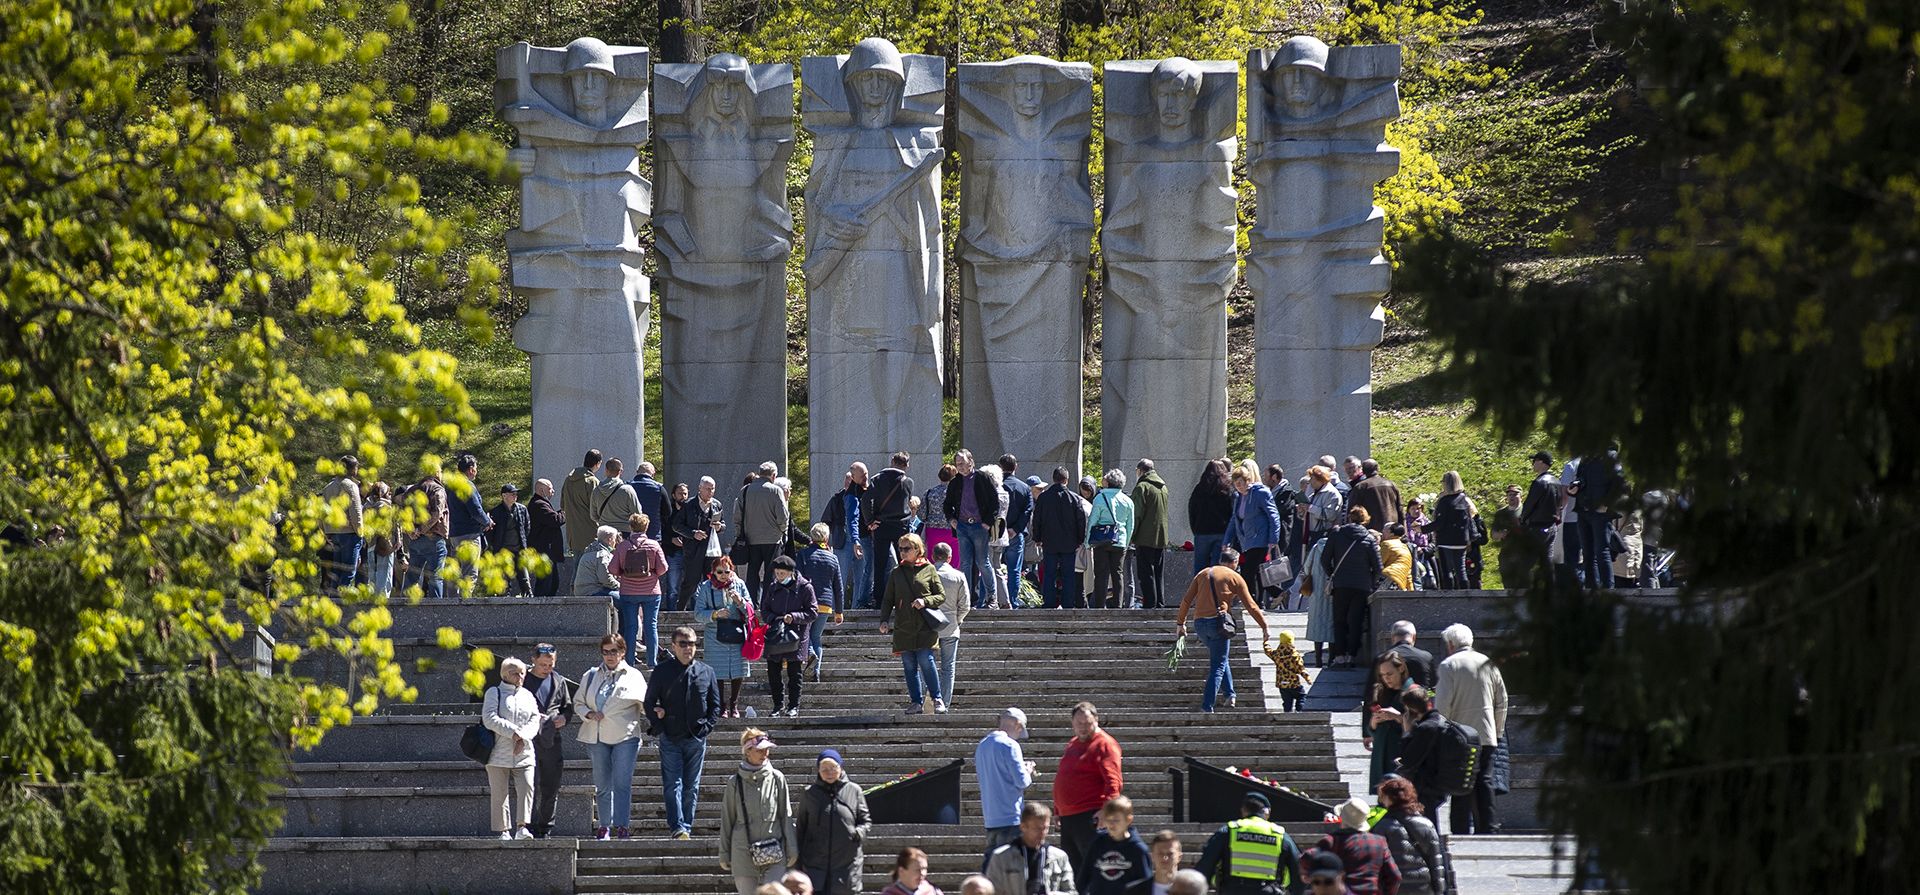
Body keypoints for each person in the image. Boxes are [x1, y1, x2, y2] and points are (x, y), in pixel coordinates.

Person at [1175, 546, 1273, 712]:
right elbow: (1252, 606)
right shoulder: (1235, 577)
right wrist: (1264, 627)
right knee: (1218, 665)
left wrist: (1180, 624)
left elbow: (1186, 600)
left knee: (1220, 657)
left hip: (1199, 624)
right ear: (1234, 562)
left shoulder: (1203, 573)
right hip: (1218, 625)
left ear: (1220, 561)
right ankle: (1207, 706)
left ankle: (1230, 695)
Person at [647, 625, 723, 840]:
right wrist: (659, 725)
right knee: (673, 784)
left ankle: (686, 827)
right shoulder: (662, 671)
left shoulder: (706, 671)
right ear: (673, 646)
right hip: (670, 736)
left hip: (696, 737)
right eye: (683, 643)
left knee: (692, 786)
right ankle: (677, 826)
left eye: (692, 643)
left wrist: (707, 727)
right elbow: (649, 701)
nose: (688, 648)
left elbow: (715, 705)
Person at [1434, 624, 1506, 835]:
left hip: (1460, 737)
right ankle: (1489, 827)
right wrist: (1498, 731)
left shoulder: (1448, 665)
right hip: (1486, 733)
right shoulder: (1488, 663)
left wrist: (1439, 735)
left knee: (1460, 782)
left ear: (1450, 644)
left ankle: (1460, 829)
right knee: (1485, 781)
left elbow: (1443, 706)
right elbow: (1502, 701)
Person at [577, 633, 646, 839]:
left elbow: (646, 703)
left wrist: (657, 713)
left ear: (622, 652)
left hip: (626, 736)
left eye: (613, 651)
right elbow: (578, 702)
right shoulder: (590, 675)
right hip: (596, 735)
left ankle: (622, 825)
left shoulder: (634, 675)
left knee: (622, 783)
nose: (609, 656)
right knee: (603, 784)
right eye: (605, 652)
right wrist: (588, 713)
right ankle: (604, 825)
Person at [722, 728, 800, 895]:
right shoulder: (734, 782)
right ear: (748, 751)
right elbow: (727, 819)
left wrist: (792, 847)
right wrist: (724, 852)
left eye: (767, 749)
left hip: (775, 848)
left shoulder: (777, 778)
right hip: (743, 851)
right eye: (760, 750)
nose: (765, 753)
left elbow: (786, 815)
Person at [879, 532, 946, 714]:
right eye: (900, 549)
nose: (902, 552)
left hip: (924, 627)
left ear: (917, 549)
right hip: (904, 627)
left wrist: (925, 601)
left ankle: (936, 698)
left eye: (906, 549)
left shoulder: (929, 569)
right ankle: (916, 702)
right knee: (909, 666)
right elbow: (887, 599)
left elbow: (941, 596)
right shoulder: (896, 572)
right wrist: (884, 620)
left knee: (926, 660)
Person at [1053, 701, 1124, 870]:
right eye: (1079, 724)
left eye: (1088, 723)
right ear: (1072, 723)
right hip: (1069, 817)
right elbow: (1064, 776)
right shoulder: (1073, 743)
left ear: (1096, 720)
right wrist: (1057, 810)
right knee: (1073, 869)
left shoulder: (1105, 744)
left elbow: (1113, 780)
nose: (1083, 728)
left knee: (1094, 868)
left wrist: (1106, 810)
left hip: (1091, 816)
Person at [1194, 792, 1306, 895]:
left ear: (1243, 810)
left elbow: (1206, 865)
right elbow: (1299, 870)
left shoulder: (1229, 831)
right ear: (1267, 812)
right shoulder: (1280, 835)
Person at [481, 656, 542, 841]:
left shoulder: (527, 695)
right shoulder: (494, 692)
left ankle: (522, 827)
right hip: (497, 754)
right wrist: (514, 733)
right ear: (505, 674)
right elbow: (490, 718)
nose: (520, 677)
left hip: (524, 753)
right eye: (515, 673)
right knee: (500, 793)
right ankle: (503, 831)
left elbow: (535, 719)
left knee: (527, 787)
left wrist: (522, 737)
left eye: (522, 673)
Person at [797, 748, 870, 895]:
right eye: (824, 769)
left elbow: (865, 820)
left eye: (833, 768)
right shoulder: (809, 794)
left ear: (841, 767)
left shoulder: (854, 790)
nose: (829, 772)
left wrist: (858, 833)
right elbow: (801, 827)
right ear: (818, 771)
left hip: (846, 861)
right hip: (815, 863)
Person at [524, 644, 576, 838]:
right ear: (533, 660)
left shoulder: (558, 680)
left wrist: (565, 718)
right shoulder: (523, 679)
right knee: (530, 783)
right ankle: (527, 824)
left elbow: (567, 707)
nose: (547, 668)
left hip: (551, 738)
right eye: (543, 664)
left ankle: (545, 826)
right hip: (528, 738)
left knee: (551, 784)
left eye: (551, 664)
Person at [945, 449, 1006, 610]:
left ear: (971, 462)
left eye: (963, 463)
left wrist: (987, 522)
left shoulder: (982, 478)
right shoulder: (955, 482)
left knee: (982, 562)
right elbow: (947, 504)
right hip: (962, 526)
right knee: (965, 563)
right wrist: (952, 520)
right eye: (958, 464)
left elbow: (994, 502)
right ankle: (967, 599)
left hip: (980, 526)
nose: (960, 467)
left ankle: (991, 599)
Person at [1321, 508, 1382, 668]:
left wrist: (1333, 574)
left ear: (1349, 517)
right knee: (1356, 621)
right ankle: (1351, 656)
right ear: (1365, 519)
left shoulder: (1337, 533)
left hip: (1341, 584)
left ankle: (1339, 655)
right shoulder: (1368, 538)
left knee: (1339, 621)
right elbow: (1378, 567)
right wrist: (1371, 582)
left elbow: (1325, 559)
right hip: (1362, 586)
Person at [695, 556, 755, 717]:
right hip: (715, 635)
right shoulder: (706, 587)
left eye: (726, 571)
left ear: (732, 571)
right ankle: (721, 706)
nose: (723, 575)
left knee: (738, 670)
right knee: (717, 672)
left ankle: (734, 704)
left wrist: (740, 601)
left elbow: (751, 610)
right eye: (719, 572)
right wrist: (715, 614)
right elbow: (698, 614)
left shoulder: (739, 585)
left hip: (736, 634)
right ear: (713, 572)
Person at [762, 555, 820, 717]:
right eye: (777, 573)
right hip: (776, 633)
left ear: (791, 572)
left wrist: (794, 617)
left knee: (795, 673)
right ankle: (777, 705)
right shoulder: (773, 587)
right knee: (773, 671)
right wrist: (773, 618)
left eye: (782, 574)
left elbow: (813, 611)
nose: (779, 577)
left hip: (796, 635)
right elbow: (765, 609)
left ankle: (793, 706)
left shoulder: (805, 587)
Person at [976, 707, 1038, 852]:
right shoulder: (1010, 745)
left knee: (994, 868)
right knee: (1012, 869)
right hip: (1011, 818)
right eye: (1020, 730)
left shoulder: (982, 745)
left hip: (991, 817)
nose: (1018, 735)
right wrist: (1028, 770)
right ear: (1017, 724)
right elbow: (1022, 781)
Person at [1309, 798, 1400, 895]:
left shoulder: (1330, 841)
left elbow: (1306, 861)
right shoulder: (1379, 842)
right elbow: (1395, 876)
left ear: (1342, 818)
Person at [611, 513, 666, 669]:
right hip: (651, 591)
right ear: (646, 527)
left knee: (630, 627)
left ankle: (629, 661)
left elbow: (612, 568)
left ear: (630, 527)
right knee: (651, 626)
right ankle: (652, 662)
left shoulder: (623, 546)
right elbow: (663, 568)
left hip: (628, 591)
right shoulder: (654, 545)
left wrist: (625, 573)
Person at [984, 802, 1076, 895]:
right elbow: (991, 891)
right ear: (1023, 827)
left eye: (1045, 828)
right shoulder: (1001, 857)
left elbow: (1071, 891)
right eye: (1037, 828)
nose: (1042, 833)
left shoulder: (1059, 857)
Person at [1369, 779, 1443, 895]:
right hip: (1422, 886)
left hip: (1394, 887)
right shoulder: (1426, 824)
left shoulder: (1382, 827)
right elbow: (1436, 861)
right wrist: (1439, 889)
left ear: (1389, 798)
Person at [863, 452, 917, 609]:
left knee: (880, 564)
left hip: (882, 525)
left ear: (892, 461)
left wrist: (870, 520)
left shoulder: (877, 479)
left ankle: (879, 599)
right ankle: (905, 597)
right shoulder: (908, 482)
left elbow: (866, 500)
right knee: (905, 562)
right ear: (907, 465)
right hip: (901, 525)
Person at [1034, 466, 1090, 608]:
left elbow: (1037, 519)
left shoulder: (1043, 498)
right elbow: (1081, 521)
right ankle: (1067, 603)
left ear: (1053, 479)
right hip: (1069, 543)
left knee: (1049, 574)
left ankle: (1049, 602)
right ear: (1066, 480)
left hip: (1049, 542)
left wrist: (1037, 538)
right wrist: (1080, 540)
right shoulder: (1074, 498)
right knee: (1068, 575)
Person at [1225, 462, 1282, 601]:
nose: (1238, 486)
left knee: (1248, 572)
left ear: (1248, 481)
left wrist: (1273, 539)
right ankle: (1276, 594)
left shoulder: (1261, 493)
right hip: (1246, 540)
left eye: (1240, 483)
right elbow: (1235, 519)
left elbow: (1273, 516)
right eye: (1235, 484)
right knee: (1259, 572)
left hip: (1260, 539)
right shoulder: (1239, 497)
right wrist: (1226, 540)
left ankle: (1250, 600)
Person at [1568, 446, 1623, 588]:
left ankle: (1607, 588)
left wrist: (1606, 503)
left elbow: (1619, 481)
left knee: (1602, 551)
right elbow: (1582, 478)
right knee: (1587, 552)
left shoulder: (1611, 456)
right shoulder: (1587, 457)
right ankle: (1591, 586)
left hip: (1600, 512)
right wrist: (1576, 486)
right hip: (1584, 509)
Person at [1392, 687, 1448, 824]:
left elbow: (1408, 758)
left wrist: (1407, 732)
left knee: (1426, 820)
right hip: (1441, 776)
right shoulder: (1442, 721)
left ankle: (1431, 844)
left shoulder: (1424, 728)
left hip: (1426, 781)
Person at [796, 523, 843, 682]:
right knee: (816, 637)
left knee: (805, 634)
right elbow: (838, 587)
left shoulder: (803, 554)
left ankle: (810, 654)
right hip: (826, 604)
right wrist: (839, 611)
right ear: (826, 537)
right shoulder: (833, 558)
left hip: (807, 602)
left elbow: (798, 580)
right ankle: (816, 671)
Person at [739, 461, 792, 602]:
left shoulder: (745, 490)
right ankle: (767, 603)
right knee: (771, 573)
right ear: (773, 475)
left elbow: (737, 515)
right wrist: (782, 531)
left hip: (751, 539)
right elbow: (783, 516)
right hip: (772, 539)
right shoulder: (775, 490)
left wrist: (741, 532)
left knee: (752, 572)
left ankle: (752, 603)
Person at [1363, 652, 1416, 789]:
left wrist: (1398, 717)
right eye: (1382, 675)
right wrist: (1373, 724)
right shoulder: (1382, 691)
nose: (1386, 679)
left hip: (1400, 758)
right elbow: (1375, 731)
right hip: (1382, 757)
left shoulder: (1413, 692)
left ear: (1401, 669)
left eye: (1389, 674)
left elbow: (1422, 728)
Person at [672, 476, 726, 611]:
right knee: (691, 582)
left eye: (712, 489)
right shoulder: (689, 505)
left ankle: (713, 609)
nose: (710, 492)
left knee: (713, 580)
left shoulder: (717, 504)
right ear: (700, 489)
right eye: (707, 489)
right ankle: (680, 610)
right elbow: (676, 525)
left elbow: (723, 524)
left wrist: (720, 527)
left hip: (712, 550)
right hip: (693, 550)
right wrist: (693, 533)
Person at [1085, 470, 1137, 610]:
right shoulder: (1128, 501)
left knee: (1101, 574)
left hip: (1101, 541)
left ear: (1108, 482)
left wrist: (1087, 541)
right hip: (1120, 541)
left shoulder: (1100, 498)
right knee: (1118, 574)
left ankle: (1100, 606)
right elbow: (1130, 525)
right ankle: (1118, 605)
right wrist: (1126, 543)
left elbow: (1092, 521)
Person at [823, 463, 872, 610]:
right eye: (848, 480)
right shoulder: (836, 499)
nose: (849, 483)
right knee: (839, 580)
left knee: (861, 578)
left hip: (861, 540)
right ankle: (836, 611)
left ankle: (857, 609)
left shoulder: (865, 495)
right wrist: (827, 541)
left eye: (852, 480)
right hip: (841, 543)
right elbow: (826, 521)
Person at [1080, 796, 1151, 895]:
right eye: (1108, 820)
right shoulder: (1097, 843)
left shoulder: (1138, 849)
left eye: (1116, 820)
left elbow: (1146, 884)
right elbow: (1084, 875)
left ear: (1129, 820)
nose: (1112, 824)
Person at [931, 542, 972, 708]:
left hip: (929, 627)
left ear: (932, 557)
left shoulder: (925, 575)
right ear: (950, 557)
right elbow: (965, 605)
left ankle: (926, 702)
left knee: (926, 667)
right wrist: (957, 619)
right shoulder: (958, 576)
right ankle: (944, 704)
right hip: (950, 627)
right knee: (948, 668)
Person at [448, 454, 494, 596]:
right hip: (469, 535)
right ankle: (465, 604)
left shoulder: (450, 486)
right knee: (469, 573)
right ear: (471, 469)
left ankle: (450, 604)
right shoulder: (467, 486)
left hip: (454, 534)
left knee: (454, 574)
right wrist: (487, 522)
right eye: (476, 468)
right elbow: (475, 510)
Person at [1129, 459, 1170, 610]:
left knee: (1145, 573)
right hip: (1160, 537)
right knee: (1158, 573)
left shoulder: (1142, 487)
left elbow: (1136, 514)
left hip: (1145, 537)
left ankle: (1149, 604)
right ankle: (1160, 602)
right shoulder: (1163, 487)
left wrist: (1131, 536)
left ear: (1140, 470)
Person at [404, 467, 450, 598]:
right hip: (433, 538)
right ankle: (436, 611)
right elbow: (436, 514)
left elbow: (404, 514)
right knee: (435, 576)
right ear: (437, 473)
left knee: (412, 575)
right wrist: (421, 530)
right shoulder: (437, 489)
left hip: (414, 540)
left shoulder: (411, 490)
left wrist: (411, 531)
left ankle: (405, 607)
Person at [320, 455, 363, 591]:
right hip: (349, 533)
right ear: (353, 469)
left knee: (336, 572)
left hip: (332, 533)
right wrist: (360, 532)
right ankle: (343, 605)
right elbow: (356, 512)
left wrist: (325, 532)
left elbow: (321, 513)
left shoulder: (328, 487)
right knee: (349, 572)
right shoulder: (350, 486)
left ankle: (333, 601)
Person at [561, 450, 603, 591]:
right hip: (590, 531)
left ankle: (575, 591)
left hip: (573, 531)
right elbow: (597, 508)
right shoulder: (592, 481)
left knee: (577, 563)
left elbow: (562, 505)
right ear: (597, 464)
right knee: (587, 567)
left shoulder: (568, 480)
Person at [1189, 458, 1235, 575]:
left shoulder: (1199, 489)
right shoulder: (1227, 489)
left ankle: (1200, 591)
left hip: (1202, 532)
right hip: (1221, 532)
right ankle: (1216, 592)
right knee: (1217, 569)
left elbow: (1192, 510)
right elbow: (1232, 512)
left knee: (1200, 569)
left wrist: (1196, 529)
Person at [1429, 472, 1474, 590]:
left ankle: (1449, 597)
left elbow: (1440, 523)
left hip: (1446, 541)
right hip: (1461, 541)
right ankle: (1466, 595)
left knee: (1447, 571)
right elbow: (1469, 520)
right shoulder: (1465, 500)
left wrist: (1422, 529)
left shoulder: (1444, 501)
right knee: (1461, 571)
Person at [487, 483, 534, 596]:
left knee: (525, 580)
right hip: (503, 552)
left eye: (516, 494)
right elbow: (491, 533)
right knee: (504, 582)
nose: (515, 496)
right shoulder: (496, 512)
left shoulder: (522, 509)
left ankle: (528, 600)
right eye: (512, 494)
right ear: (504, 496)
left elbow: (527, 528)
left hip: (519, 550)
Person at [999, 455, 1033, 609]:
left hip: (997, 533)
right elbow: (1028, 511)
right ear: (1016, 466)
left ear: (1000, 467)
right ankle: (1012, 600)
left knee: (993, 567)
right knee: (1014, 570)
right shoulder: (1024, 487)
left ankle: (995, 598)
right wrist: (1016, 529)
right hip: (1015, 534)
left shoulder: (995, 486)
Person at [528, 478, 567, 596]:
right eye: (550, 488)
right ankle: (540, 608)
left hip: (547, 550)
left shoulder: (541, 503)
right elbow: (555, 520)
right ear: (541, 489)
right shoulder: (539, 505)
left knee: (553, 583)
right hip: (543, 551)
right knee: (545, 584)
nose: (553, 491)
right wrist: (565, 512)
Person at [1368, 621, 1435, 689]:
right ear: (1414, 637)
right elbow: (1433, 689)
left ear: (1392, 637)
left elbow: (1371, 691)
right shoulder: (1426, 657)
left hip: (1390, 699)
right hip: (1420, 698)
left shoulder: (1380, 659)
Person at [1346, 460, 1401, 534]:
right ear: (1378, 469)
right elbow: (1400, 509)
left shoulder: (1360, 487)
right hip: (1391, 529)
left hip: (1371, 530)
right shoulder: (1391, 484)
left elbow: (1352, 511)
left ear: (1363, 471)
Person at [1122, 830, 1183, 895]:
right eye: (1160, 853)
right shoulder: (1133, 891)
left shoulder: (1191, 890)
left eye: (1170, 854)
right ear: (1152, 856)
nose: (1165, 857)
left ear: (1179, 857)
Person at [364, 481, 398, 596]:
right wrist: (397, 541)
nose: (390, 494)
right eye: (388, 493)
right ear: (383, 494)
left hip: (370, 545)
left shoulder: (366, 507)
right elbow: (390, 527)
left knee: (372, 576)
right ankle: (383, 603)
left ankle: (372, 603)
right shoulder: (385, 507)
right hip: (384, 545)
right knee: (384, 576)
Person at [591, 458, 642, 534]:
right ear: (621, 471)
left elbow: (593, 515)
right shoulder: (627, 490)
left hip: (604, 532)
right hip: (624, 532)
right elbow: (637, 513)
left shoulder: (596, 490)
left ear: (606, 470)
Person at [1265, 631, 1309, 712]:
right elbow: (1300, 668)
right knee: (1301, 696)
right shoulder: (1294, 655)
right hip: (1293, 682)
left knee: (1287, 701)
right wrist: (1307, 678)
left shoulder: (1277, 654)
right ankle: (1299, 711)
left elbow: (1268, 651)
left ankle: (1287, 713)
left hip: (1281, 683)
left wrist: (1265, 642)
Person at [922, 463, 957, 565]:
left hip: (933, 530)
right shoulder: (956, 493)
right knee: (953, 560)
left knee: (933, 559)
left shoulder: (929, 492)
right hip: (952, 529)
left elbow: (922, 514)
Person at [573, 525, 621, 597]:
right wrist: (621, 587)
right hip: (592, 591)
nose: (615, 542)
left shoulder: (591, 550)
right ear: (610, 539)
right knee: (625, 599)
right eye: (615, 539)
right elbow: (605, 579)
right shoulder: (602, 555)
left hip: (583, 590)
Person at [1301, 466, 1343, 548]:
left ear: (1320, 479)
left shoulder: (1332, 494)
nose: (1309, 481)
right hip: (1310, 533)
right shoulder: (1313, 491)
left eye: (1312, 478)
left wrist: (1310, 508)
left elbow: (1330, 515)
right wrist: (1301, 510)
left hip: (1323, 535)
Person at [661, 482, 689, 602]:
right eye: (680, 493)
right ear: (673, 495)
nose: (683, 496)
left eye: (685, 494)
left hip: (690, 553)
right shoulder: (668, 512)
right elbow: (661, 531)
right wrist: (671, 540)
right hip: (673, 553)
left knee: (693, 588)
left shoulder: (691, 510)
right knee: (673, 588)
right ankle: (672, 614)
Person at [628, 461, 666, 539]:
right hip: (653, 532)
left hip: (631, 532)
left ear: (637, 472)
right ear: (653, 473)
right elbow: (667, 511)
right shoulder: (659, 487)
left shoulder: (627, 486)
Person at [1378, 525, 1412, 591]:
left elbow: (1379, 563)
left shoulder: (1386, 544)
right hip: (1400, 582)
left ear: (1391, 533)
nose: (1382, 533)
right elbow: (1408, 572)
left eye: (1385, 531)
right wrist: (1411, 589)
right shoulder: (1405, 547)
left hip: (1387, 577)